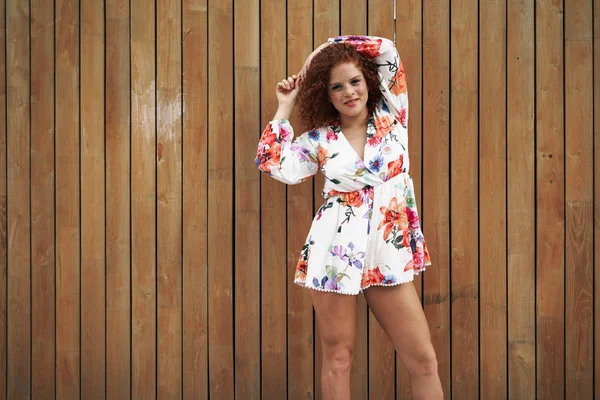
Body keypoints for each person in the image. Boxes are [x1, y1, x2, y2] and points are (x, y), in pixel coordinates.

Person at [255, 36, 443, 399]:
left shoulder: (393, 115)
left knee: (423, 360)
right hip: (335, 254)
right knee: (339, 358)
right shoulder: (319, 140)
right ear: (327, 95)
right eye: (336, 86)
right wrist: (285, 107)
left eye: (354, 81)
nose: (348, 92)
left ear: (368, 82)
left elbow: (386, 49)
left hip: (387, 252)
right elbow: (272, 162)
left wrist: (321, 55)